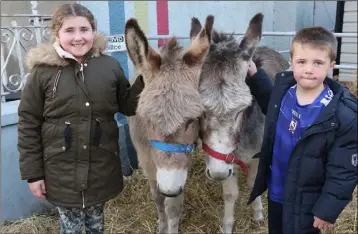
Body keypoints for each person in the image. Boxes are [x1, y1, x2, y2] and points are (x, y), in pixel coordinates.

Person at [17, 3, 144, 234]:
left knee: (96, 225)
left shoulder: (110, 66)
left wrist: (146, 77)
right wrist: (33, 174)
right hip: (60, 171)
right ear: (57, 33)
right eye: (69, 31)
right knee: (71, 227)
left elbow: (128, 106)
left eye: (84, 29)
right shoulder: (43, 72)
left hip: (100, 168)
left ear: (93, 31)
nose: (78, 37)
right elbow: (28, 124)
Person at [245, 26, 357, 234]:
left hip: (307, 201)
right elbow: (269, 104)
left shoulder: (342, 115)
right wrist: (254, 75)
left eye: (318, 63)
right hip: (276, 191)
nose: (308, 69)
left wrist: (327, 210)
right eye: (302, 62)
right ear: (292, 62)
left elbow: (343, 171)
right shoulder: (283, 92)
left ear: (331, 66)